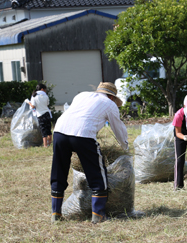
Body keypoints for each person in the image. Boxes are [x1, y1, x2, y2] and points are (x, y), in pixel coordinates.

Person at [50, 82, 129, 224]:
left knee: (58, 171)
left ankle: (56, 214)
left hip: (59, 132)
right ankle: (98, 215)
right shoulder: (109, 104)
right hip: (83, 135)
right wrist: (125, 146)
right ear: (112, 97)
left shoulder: (81, 95)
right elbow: (118, 127)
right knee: (97, 174)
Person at [27, 83, 52, 148]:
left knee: (43, 130)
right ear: (42, 89)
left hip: (40, 115)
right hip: (47, 114)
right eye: (45, 89)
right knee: (48, 129)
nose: (45, 91)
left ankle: (45, 145)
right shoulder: (46, 96)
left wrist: (28, 102)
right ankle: (50, 143)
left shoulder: (34, 96)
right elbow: (47, 104)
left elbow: (33, 106)